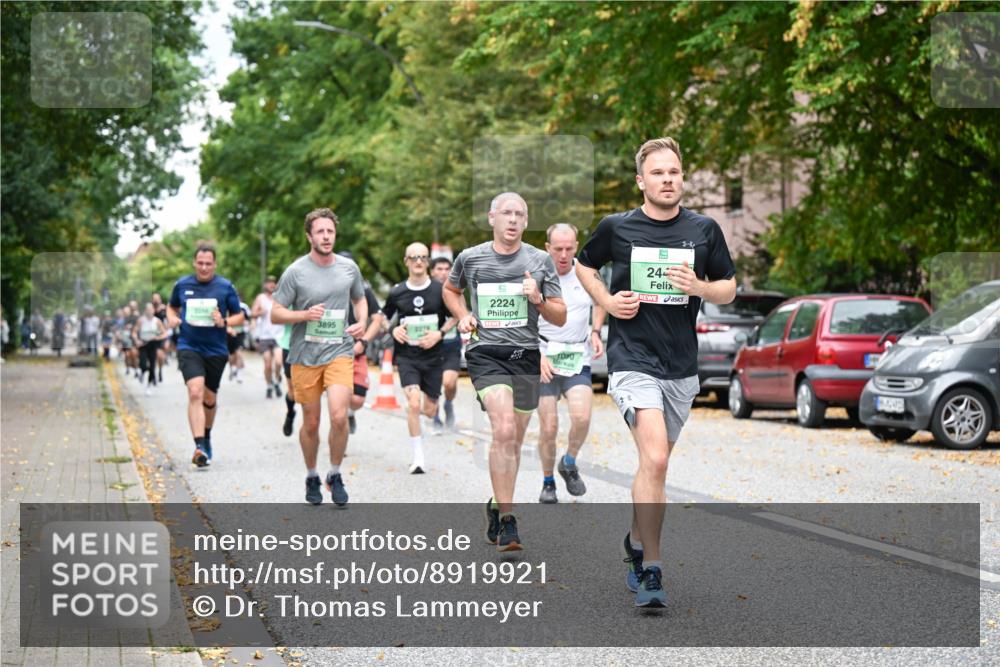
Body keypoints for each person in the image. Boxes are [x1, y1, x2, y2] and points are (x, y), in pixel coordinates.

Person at [576, 137, 736, 607]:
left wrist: (700, 286)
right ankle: (653, 567)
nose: (668, 180)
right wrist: (607, 302)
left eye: (675, 172)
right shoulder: (617, 228)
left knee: (653, 466)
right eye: (659, 173)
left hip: (681, 368)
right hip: (632, 360)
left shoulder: (704, 230)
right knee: (658, 459)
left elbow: (729, 287)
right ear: (641, 181)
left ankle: (634, 540)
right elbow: (586, 267)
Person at [443, 192, 565, 551]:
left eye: (520, 214)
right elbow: (451, 291)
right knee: (504, 427)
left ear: (526, 222)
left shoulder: (541, 261)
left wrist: (539, 300)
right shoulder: (471, 257)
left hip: (525, 355)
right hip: (486, 353)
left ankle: (497, 505)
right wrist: (463, 315)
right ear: (491, 217)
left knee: (514, 437)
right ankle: (510, 522)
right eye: (506, 213)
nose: (512, 219)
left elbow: (560, 315)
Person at [271, 208, 367, 506]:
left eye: (330, 231)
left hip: (339, 351)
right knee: (311, 423)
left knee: (339, 415)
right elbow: (275, 313)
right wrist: (303, 314)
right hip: (305, 356)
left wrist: (361, 321)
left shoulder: (349, 268)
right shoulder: (296, 272)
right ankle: (312, 474)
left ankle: (335, 473)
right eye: (320, 232)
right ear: (309, 236)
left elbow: (359, 298)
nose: (326, 237)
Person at [536, 223, 606, 504]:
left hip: (577, 356)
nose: (563, 255)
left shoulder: (587, 272)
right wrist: (535, 353)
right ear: (547, 248)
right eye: (557, 249)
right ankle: (548, 481)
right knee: (549, 426)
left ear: (576, 246)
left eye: (569, 248)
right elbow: (524, 317)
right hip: (544, 356)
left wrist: (596, 330)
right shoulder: (537, 275)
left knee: (582, 417)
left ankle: (568, 461)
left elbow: (601, 301)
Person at [166, 245, 245, 467]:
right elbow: (171, 307)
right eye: (200, 263)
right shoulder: (182, 285)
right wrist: (171, 318)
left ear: (214, 264)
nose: (203, 267)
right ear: (194, 262)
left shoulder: (225, 287)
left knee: (210, 399)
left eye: (208, 263)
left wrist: (225, 321)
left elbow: (239, 316)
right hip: (189, 346)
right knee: (195, 392)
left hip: (216, 350)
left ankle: (207, 436)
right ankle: (199, 446)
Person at [382, 242, 453, 474]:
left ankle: (431, 411)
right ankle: (418, 457)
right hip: (407, 357)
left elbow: (454, 316)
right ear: (406, 262)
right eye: (414, 257)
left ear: (428, 261)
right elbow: (384, 319)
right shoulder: (397, 292)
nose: (419, 261)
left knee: (430, 410)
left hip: (434, 357)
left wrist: (439, 333)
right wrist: (393, 330)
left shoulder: (440, 290)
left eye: (423, 257)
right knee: (413, 403)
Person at [337, 251, 384, 435]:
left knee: (357, 400)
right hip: (333, 353)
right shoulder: (327, 289)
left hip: (357, 351)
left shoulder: (364, 291)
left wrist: (363, 343)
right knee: (339, 398)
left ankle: (350, 413)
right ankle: (340, 443)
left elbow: (377, 320)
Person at [430, 257, 461, 430]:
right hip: (430, 348)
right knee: (433, 384)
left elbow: (460, 314)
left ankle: (448, 404)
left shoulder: (455, 291)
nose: (443, 272)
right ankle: (435, 417)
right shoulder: (426, 291)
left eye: (447, 269)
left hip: (450, 345)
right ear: (432, 271)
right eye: (439, 269)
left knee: (449, 383)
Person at [251, 276, 286, 399]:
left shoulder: (281, 297)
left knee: (278, 361)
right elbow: (252, 314)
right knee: (267, 364)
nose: (271, 285)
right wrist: (260, 313)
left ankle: (277, 380)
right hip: (264, 336)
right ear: (265, 285)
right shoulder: (260, 298)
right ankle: (269, 385)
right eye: (269, 283)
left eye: (273, 283)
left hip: (279, 335)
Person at [134, 302, 169, 395]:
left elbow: (165, 333)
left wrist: (158, 337)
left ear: (153, 311)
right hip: (143, 344)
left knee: (153, 365)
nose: (149, 311)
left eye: (151, 309)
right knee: (143, 363)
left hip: (153, 344)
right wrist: (136, 340)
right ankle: (142, 371)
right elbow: (134, 332)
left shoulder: (157, 321)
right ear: (145, 311)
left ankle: (148, 386)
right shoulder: (141, 320)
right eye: (148, 309)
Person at [227, 301, 251, 383]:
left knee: (239, 352)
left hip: (240, 333)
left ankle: (239, 373)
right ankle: (232, 368)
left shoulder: (244, 307)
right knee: (231, 355)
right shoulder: (227, 305)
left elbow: (248, 318)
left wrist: (247, 326)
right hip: (229, 333)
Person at [152, 292, 170, 381]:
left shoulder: (164, 309)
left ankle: (160, 370)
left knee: (160, 355)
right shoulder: (150, 309)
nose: (155, 300)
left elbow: (169, 320)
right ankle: (153, 372)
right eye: (154, 298)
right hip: (151, 335)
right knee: (153, 356)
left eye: (157, 298)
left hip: (162, 334)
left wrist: (167, 330)